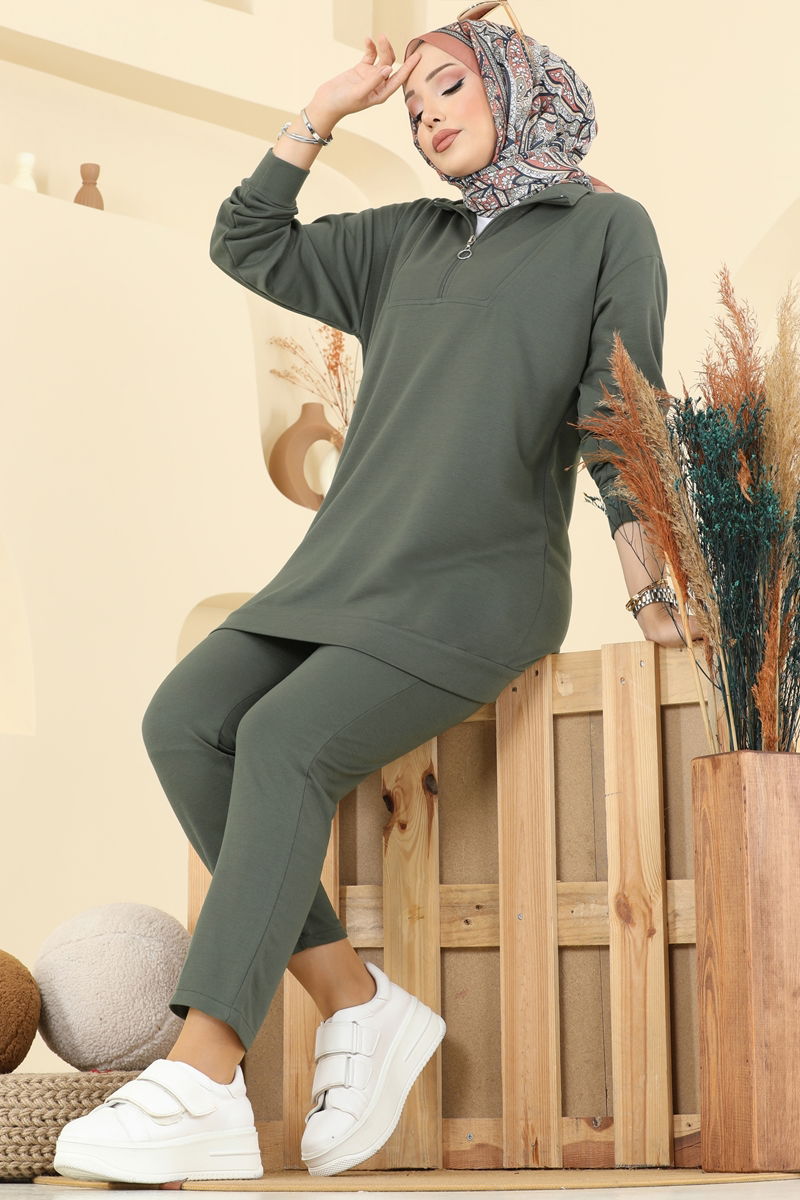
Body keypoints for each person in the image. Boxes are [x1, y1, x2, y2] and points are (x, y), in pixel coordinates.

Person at [53, 11, 704, 1189]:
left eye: (446, 86)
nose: (424, 115)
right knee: (182, 721)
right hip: (341, 570)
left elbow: (621, 415)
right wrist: (322, 112)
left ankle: (202, 1073)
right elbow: (246, 241)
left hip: (478, 585)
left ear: (516, 84)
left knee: (283, 739)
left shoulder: (606, 228)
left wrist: (649, 585)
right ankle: (356, 999)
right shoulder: (403, 237)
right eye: (410, 105)